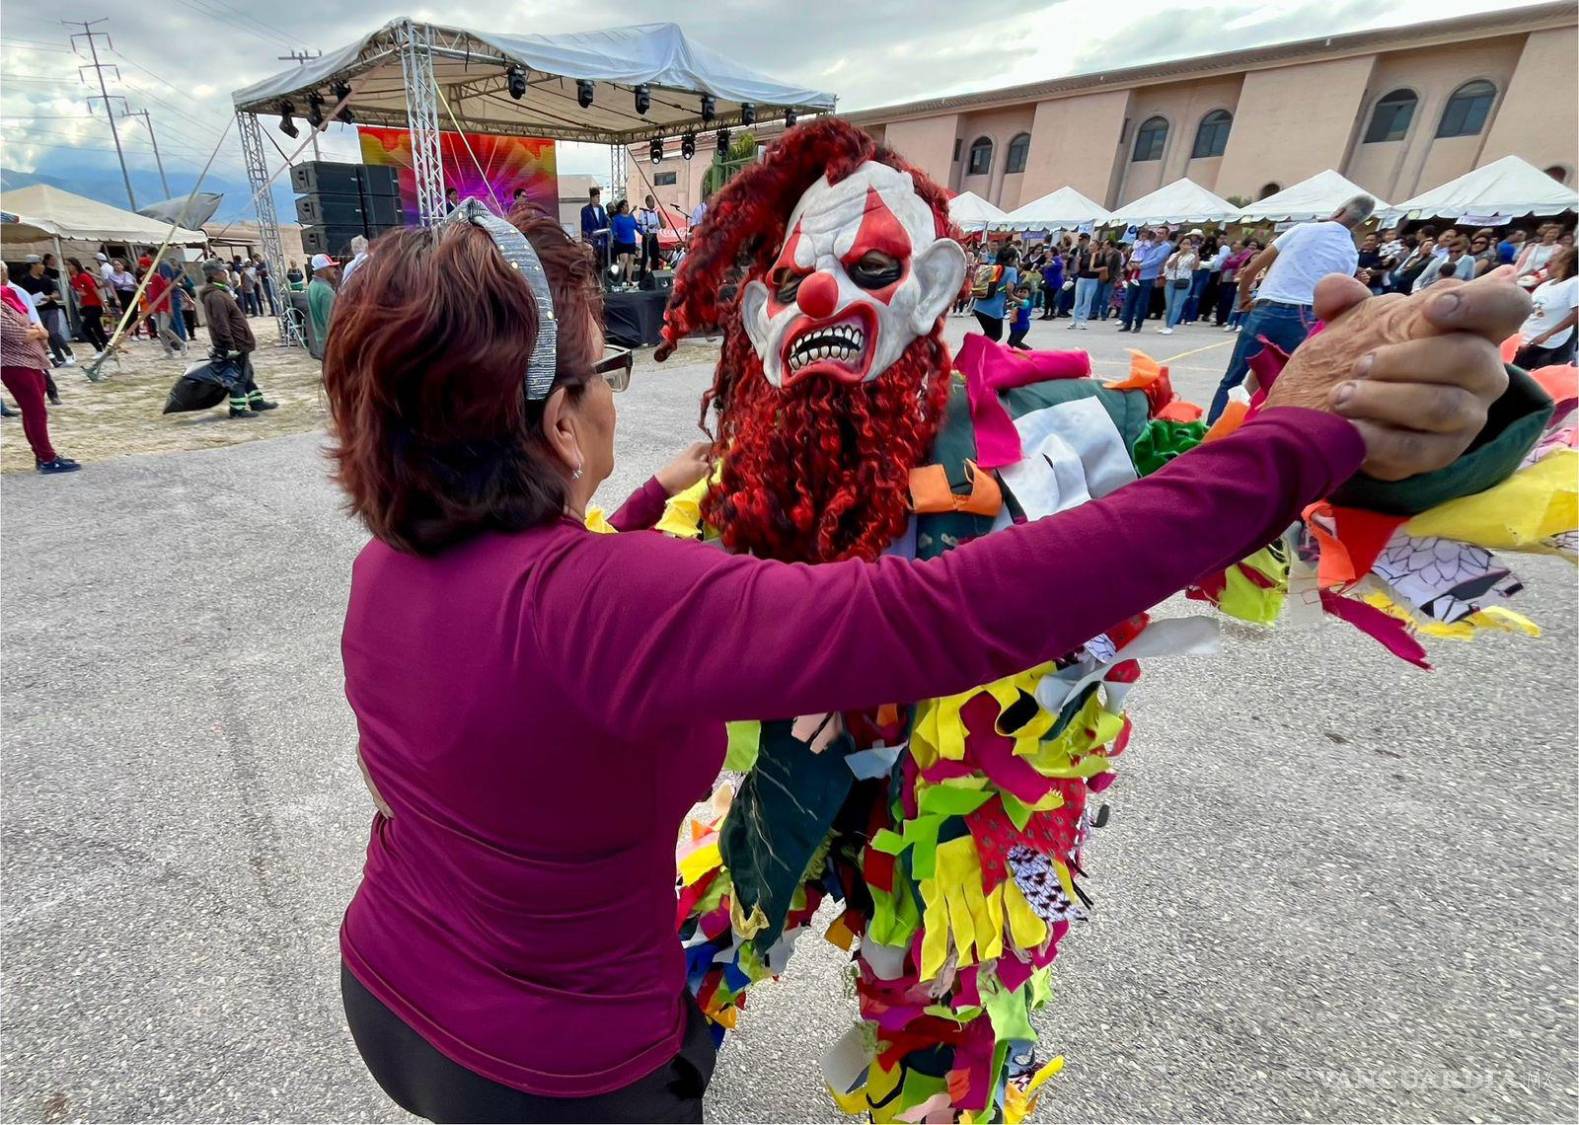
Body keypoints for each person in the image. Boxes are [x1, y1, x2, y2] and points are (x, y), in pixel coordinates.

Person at [322, 130, 1531, 1125]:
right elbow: (933, 614)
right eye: (603, 374)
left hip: (396, 988)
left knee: (935, 1020)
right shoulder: (609, 598)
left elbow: (1180, 495)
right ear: (551, 425)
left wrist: (1419, 447)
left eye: (877, 269)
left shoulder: (393, 568)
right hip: (561, 1072)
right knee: (723, 947)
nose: (819, 297)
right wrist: (1295, 433)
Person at [1207, 193, 1373, 421]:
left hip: (1267, 308)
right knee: (1280, 386)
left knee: (1233, 378)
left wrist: (1245, 297)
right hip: (1306, 318)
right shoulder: (1349, 251)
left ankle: (1212, 431)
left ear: (1338, 211)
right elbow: (1336, 296)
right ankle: (1252, 434)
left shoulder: (1302, 230)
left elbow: (1251, 270)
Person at [0, 263, 78, 473]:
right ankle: (47, 458)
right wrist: (37, 333)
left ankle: (41, 454)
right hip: (14, 363)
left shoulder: (9, 296)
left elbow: (31, 324)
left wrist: (35, 331)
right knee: (36, 411)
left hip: (31, 359)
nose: (5, 276)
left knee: (33, 410)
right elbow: (19, 335)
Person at [197, 259, 277, 418]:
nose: (225, 274)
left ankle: (256, 401)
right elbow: (221, 324)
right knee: (239, 376)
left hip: (239, 341)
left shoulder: (221, 293)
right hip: (234, 344)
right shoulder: (216, 296)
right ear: (215, 275)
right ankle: (237, 409)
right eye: (222, 271)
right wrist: (229, 346)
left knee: (247, 372)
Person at [1513, 246, 1577, 368]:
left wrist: (1548, 334)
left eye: (1556, 258)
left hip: (1542, 341)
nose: (1549, 262)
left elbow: (1577, 314)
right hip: (1525, 334)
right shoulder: (1546, 284)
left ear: (1567, 262)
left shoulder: (1575, 283)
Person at [20, 258, 75, 370]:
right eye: (40, 264)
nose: (43, 266)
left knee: (54, 332)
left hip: (51, 308)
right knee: (47, 335)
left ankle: (68, 351)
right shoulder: (25, 279)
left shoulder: (47, 278)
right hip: (37, 310)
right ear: (33, 266)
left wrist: (49, 297)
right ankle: (60, 359)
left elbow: (57, 294)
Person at [1119, 226, 1172, 332]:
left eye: (1162, 233)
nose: (1158, 234)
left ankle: (1138, 324)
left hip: (1147, 276)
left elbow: (1157, 260)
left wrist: (1141, 266)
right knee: (1130, 300)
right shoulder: (1148, 243)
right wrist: (1132, 262)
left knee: (1142, 302)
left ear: (1166, 235)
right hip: (1135, 274)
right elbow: (1137, 253)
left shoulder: (1165, 246)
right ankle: (1127, 323)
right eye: (1158, 232)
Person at [971, 244, 1017, 341]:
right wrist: (1015, 298)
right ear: (1010, 259)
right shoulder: (1012, 271)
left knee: (989, 335)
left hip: (979, 306)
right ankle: (977, 351)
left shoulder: (992, 267)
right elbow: (1009, 289)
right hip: (994, 310)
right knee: (995, 336)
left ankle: (979, 352)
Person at [66, 258, 110, 355]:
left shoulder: (83, 276)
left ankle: (99, 349)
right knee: (98, 329)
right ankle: (106, 348)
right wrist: (81, 301)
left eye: (69, 264)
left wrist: (105, 305)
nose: (68, 267)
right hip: (87, 306)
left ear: (75, 265)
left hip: (95, 305)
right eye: (67, 265)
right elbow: (81, 292)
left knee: (85, 328)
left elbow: (95, 290)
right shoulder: (74, 279)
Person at [1159, 234, 1199, 334]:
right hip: (1171, 281)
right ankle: (1167, 325)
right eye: (1184, 243)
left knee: (1177, 305)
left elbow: (1195, 267)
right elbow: (1169, 265)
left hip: (1184, 281)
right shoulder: (1174, 254)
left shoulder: (1192, 256)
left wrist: (1197, 254)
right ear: (1180, 244)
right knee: (1169, 305)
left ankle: (1170, 326)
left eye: (1188, 244)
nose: (1186, 246)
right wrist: (1178, 255)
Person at [307, 253, 338, 359]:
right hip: (330, 344)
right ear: (323, 269)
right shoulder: (326, 292)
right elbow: (332, 323)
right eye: (331, 267)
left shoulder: (312, 285)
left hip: (320, 341)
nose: (334, 269)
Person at [1514, 223, 1562, 288]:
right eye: (1550, 232)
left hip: (1542, 279)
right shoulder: (1531, 247)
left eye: (1556, 233)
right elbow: (1520, 263)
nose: (1552, 235)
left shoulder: (1559, 248)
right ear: (1545, 233)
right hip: (1524, 276)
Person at [1067, 233, 1099, 329]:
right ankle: (1074, 321)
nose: (1091, 247)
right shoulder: (1085, 255)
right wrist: (1077, 262)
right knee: (1078, 301)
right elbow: (1077, 269)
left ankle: (1084, 321)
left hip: (1093, 279)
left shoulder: (1100, 256)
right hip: (1082, 278)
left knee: (1087, 300)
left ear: (1097, 247)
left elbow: (1102, 268)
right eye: (1090, 246)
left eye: (1093, 246)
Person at [579, 186, 610, 278]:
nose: (599, 199)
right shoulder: (585, 210)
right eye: (597, 197)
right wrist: (589, 236)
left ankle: (602, 281)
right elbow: (584, 225)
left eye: (599, 197)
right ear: (592, 197)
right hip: (591, 241)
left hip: (602, 241)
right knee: (592, 263)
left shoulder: (601, 209)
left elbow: (604, 222)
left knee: (601, 263)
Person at [609, 200, 639, 288]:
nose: (627, 207)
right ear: (621, 208)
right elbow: (613, 230)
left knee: (631, 259)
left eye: (627, 205)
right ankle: (618, 279)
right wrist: (615, 236)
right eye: (626, 206)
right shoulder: (616, 218)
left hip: (631, 241)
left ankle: (629, 279)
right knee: (624, 259)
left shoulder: (631, 217)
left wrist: (643, 232)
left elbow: (636, 226)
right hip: (621, 241)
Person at [635, 194, 662, 277]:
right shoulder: (642, 213)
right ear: (647, 202)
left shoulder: (655, 212)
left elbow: (659, 225)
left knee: (655, 256)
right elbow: (638, 225)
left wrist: (655, 225)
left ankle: (655, 276)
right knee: (645, 258)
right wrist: (643, 231)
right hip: (646, 236)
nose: (653, 203)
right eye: (651, 201)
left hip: (654, 236)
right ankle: (642, 277)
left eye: (653, 201)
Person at [1038, 246, 1063, 319]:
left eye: (1047, 252)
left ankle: (1052, 313)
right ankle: (1046, 313)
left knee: (1051, 298)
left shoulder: (1056, 259)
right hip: (1047, 281)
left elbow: (1059, 266)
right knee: (1047, 297)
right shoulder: (1047, 259)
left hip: (1054, 281)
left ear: (1052, 252)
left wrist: (1051, 264)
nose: (1045, 253)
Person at [1005, 283, 1033, 349]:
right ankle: (1008, 355)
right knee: (1010, 343)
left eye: (1025, 292)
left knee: (1016, 342)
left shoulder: (1026, 302)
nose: (1022, 293)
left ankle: (1030, 351)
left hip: (1022, 327)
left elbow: (1021, 302)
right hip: (1014, 326)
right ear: (1016, 292)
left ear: (1028, 295)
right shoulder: (1015, 302)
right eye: (1020, 291)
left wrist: (1011, 296)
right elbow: (1008, 306)